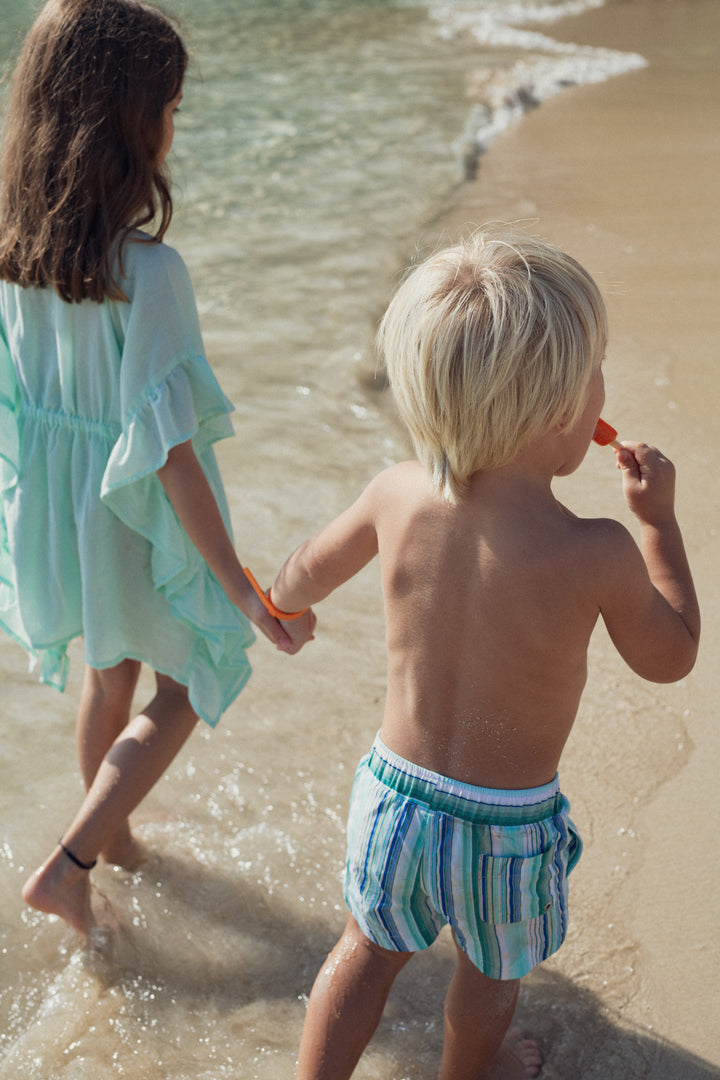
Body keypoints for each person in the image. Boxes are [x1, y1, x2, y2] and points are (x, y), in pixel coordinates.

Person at [270, 230, 700, 1080]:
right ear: (560, 412)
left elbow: (302, 573)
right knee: (491, 974)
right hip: (506, 829)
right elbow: (671, 656)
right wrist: (660, 527)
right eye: (597, 375)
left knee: (365, 950)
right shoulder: (598, 549)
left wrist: (283, 608)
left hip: (395, 798)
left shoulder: (396, 492)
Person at [0, 0, 315, 939]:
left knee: (110, 672)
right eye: (170, 110)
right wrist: (245, 591)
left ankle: (117, 841)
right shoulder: (152, 272)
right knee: (185, 681)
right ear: (130, 127)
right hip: (133, 510)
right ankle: (75, 859)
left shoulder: (16, 260)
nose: (175, 130)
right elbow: (170, 454)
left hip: (63, 510)